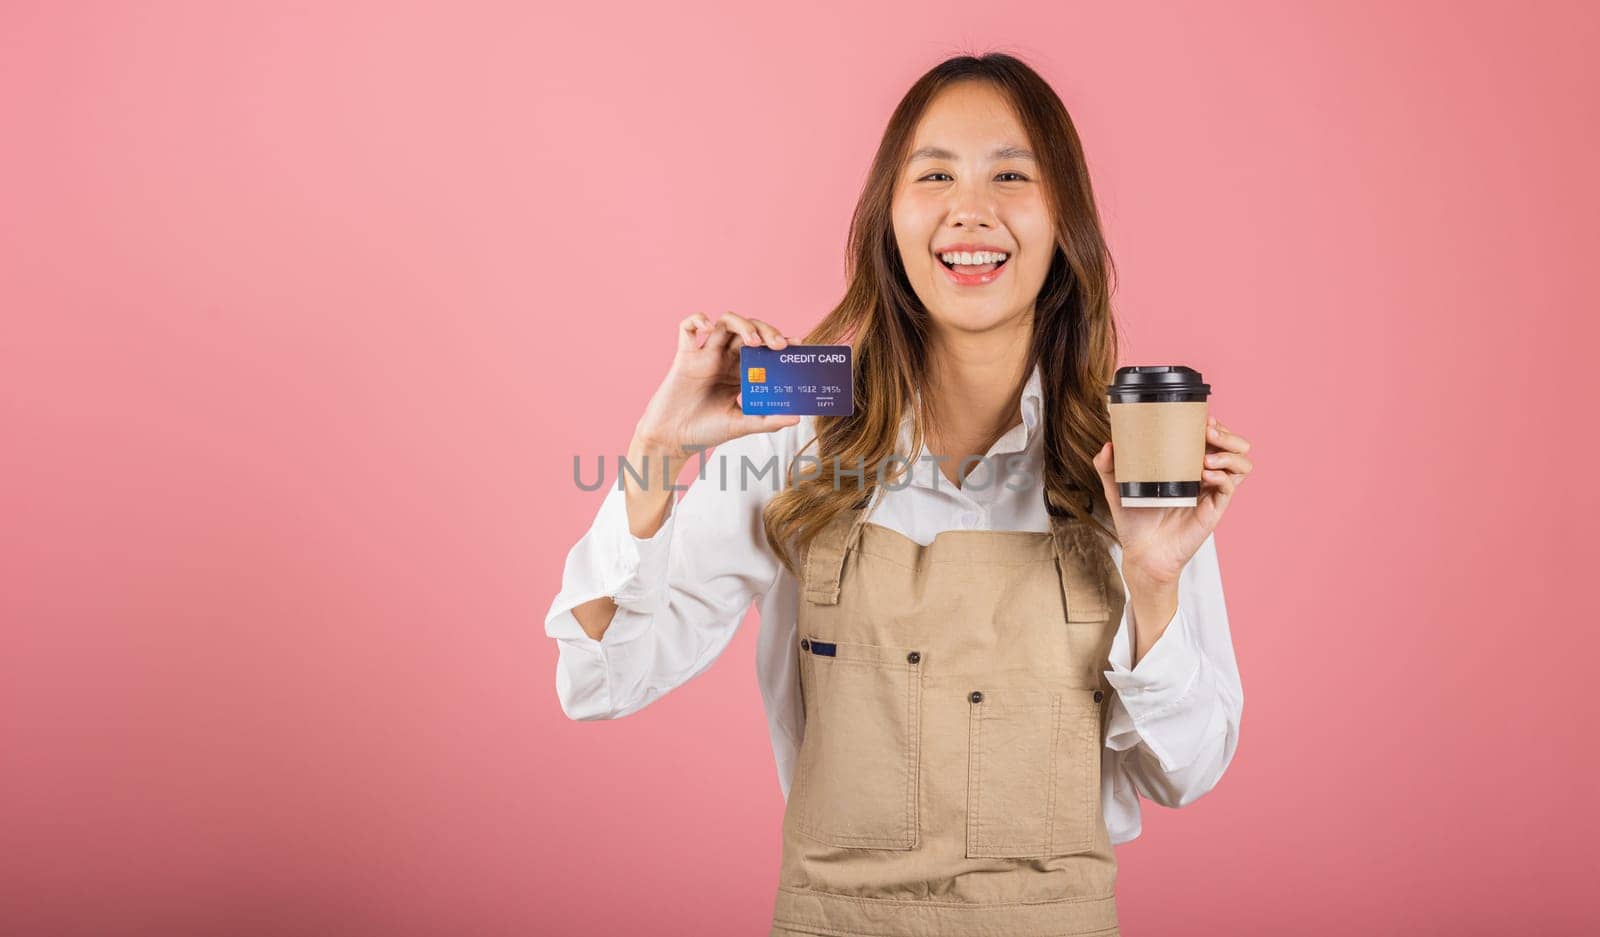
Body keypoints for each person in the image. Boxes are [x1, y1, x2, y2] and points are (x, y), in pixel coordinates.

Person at [544, 52, 1251, 937]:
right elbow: (599, 676)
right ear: (889, 216)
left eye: (1010, 173)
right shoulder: (797, 421)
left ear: (1062, 215)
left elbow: (1183, 770)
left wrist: (1152, 580)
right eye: (936, 174)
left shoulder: (1130, 453)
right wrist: (656, 453)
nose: (970, 208)